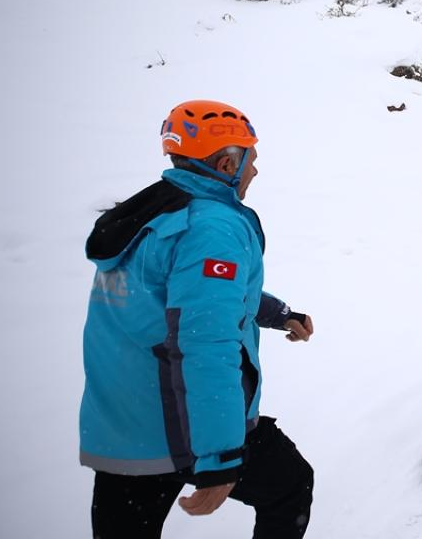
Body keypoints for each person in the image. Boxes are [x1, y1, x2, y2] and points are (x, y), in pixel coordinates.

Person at [81, 100, 315, 539]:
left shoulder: (153, 209)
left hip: (122, 426)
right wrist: (220, 457)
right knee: (290, 487)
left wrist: (279, 314)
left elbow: (186, 296)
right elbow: (206, 340)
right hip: (181, 427)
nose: (255, 172)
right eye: (252, 160)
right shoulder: (212, 227)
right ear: (227, 162)